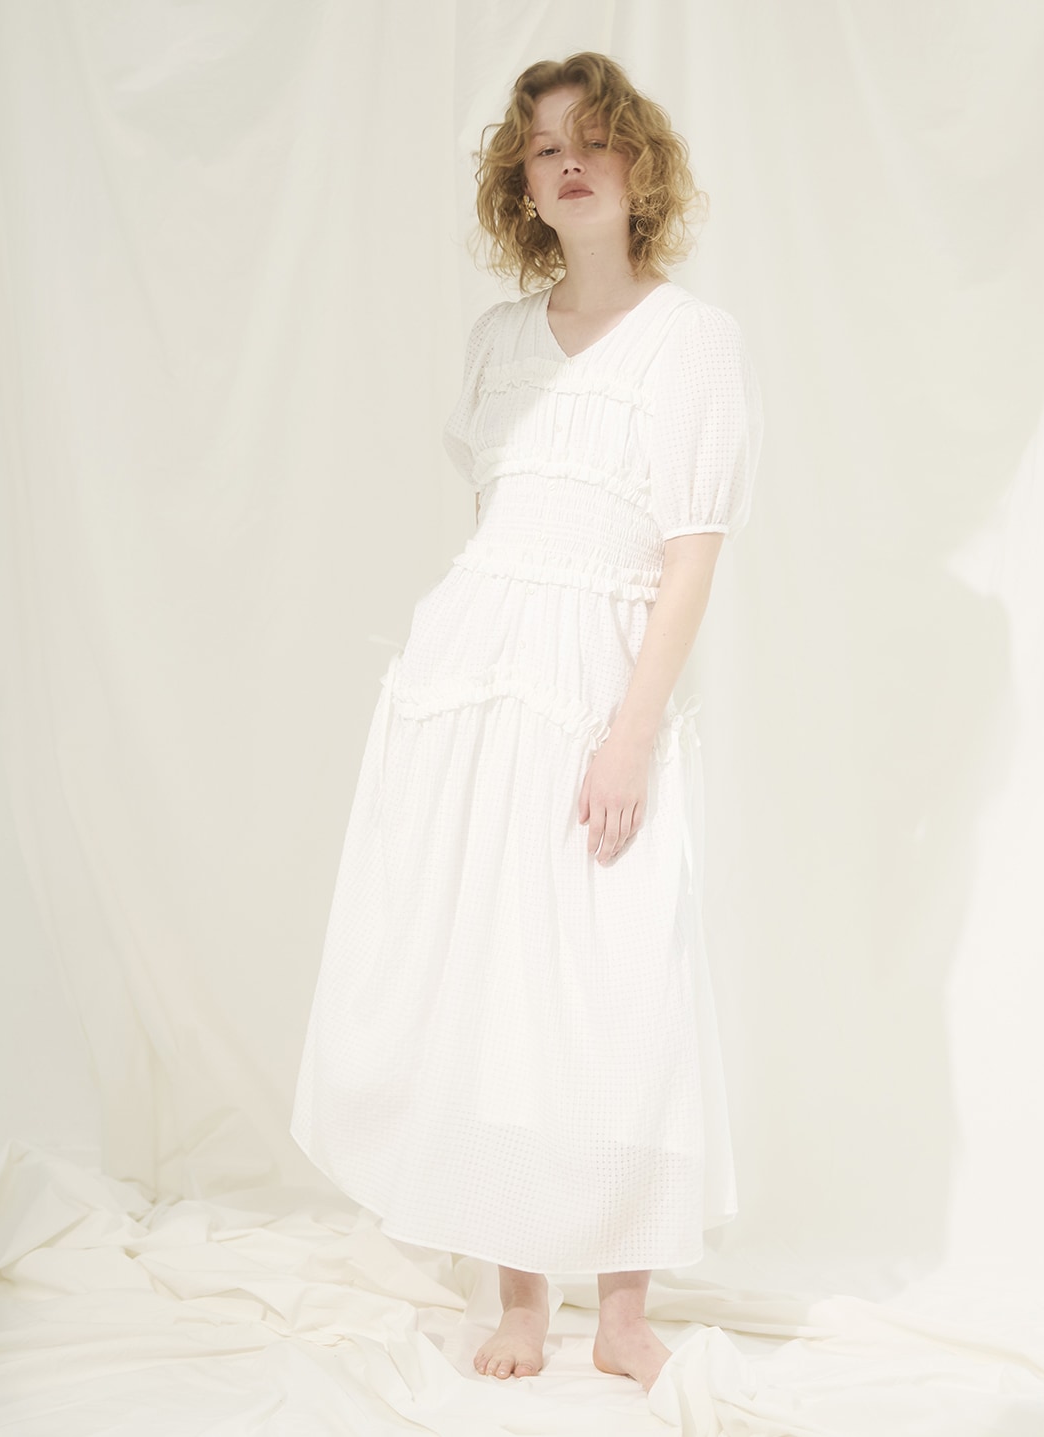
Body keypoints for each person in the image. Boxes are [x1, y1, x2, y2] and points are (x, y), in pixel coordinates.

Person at [290, 50, 764, 1394]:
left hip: (600, 695)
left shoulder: (694, 341)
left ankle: (623, 1311)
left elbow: (688, 553)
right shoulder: (497, 343)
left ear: (639, 165)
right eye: (546, 146)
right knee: (496, 980)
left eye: (596, 139)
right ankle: (520, 1295)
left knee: (619, 984)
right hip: (473, 691)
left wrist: (629, 731)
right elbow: (499, 527)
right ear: (522, 184)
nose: (572, 162)